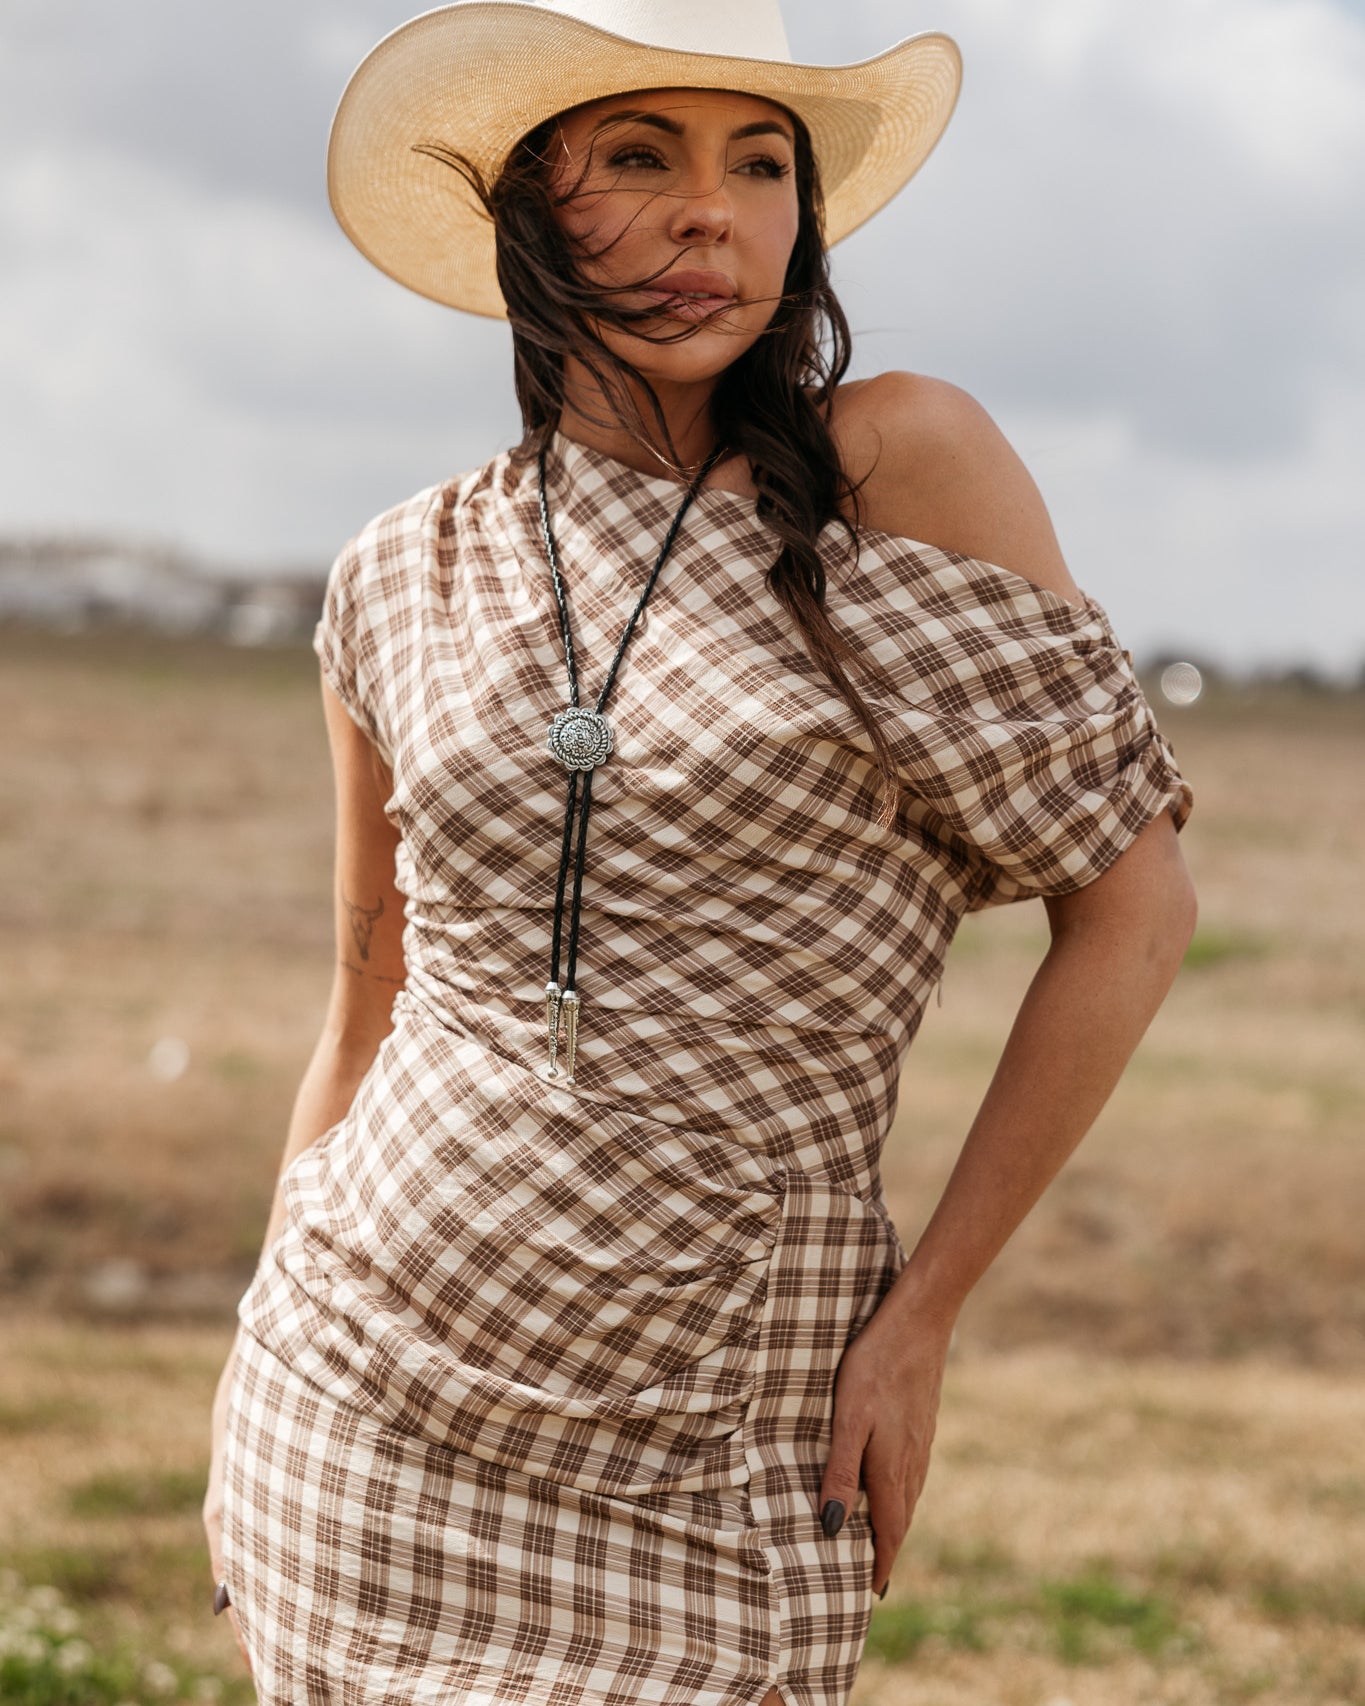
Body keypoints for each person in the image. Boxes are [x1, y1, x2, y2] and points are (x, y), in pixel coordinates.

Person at [203, 2, 1196, 1703]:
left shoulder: (896, 471)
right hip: (356, 1414)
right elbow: (365, 1014)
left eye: (758, 167)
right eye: (638, 157)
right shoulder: (399, 572)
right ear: (525, 204)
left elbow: (1133, 906)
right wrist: (256, 1357)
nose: (708, 218)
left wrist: (926, 1309)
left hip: (717, 1443)